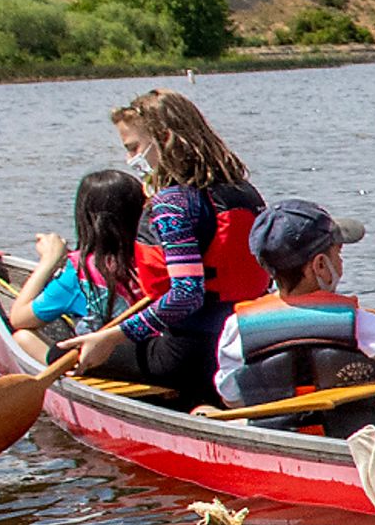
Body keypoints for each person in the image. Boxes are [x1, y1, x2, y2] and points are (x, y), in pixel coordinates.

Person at [65, 90, 269, 403]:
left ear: (164, 139)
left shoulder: (172, 204)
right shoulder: (244, 191)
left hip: (191, 356)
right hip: (251, 343)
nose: (129, 158)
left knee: (60, 350)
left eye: (133, 147)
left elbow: (187, 295)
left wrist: (111, 336)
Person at [211, 201, 375, 430]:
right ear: (320, 265)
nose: (340, 262)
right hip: (350, 440)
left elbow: (231, 396)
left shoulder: (237, 327)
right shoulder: (365, 324)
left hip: (277, 438)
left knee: (203, 411)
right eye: (338, 254)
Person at [0, 166, 143, 362]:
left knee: (23, 337)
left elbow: (19, 318)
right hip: (149, 354)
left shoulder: (79, 273)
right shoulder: (152, 257)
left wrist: (48, 262)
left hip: (101, 360)